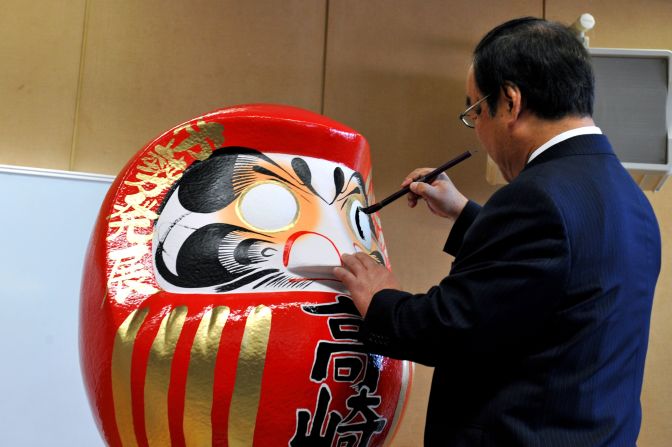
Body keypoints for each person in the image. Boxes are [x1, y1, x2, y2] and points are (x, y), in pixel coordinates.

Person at [333, 17, 661, 446]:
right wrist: (467, 214)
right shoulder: (630, 198)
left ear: (510, 101)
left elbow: (451, 328)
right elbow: (548, 276)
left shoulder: (535, 198)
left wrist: (380, 298)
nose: (479, 131)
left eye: (474, 111)